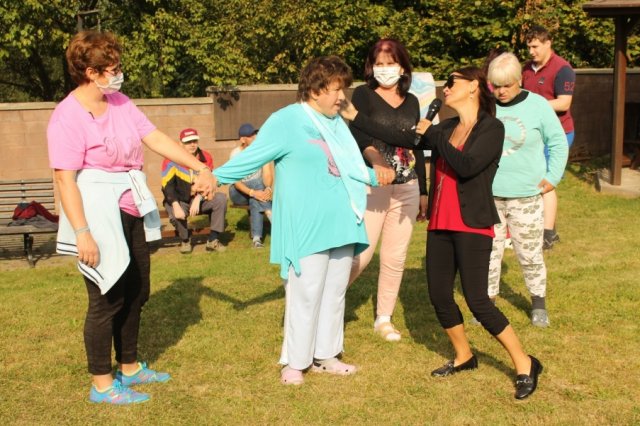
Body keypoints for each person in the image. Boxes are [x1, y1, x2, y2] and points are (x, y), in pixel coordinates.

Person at [47, 30, 215, 405]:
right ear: (90, 72)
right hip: (95, 213)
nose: (119, 74)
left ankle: (130, 366)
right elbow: (64, 179)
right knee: (107, 297)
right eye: (113, 68)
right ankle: (102, 385)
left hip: (131, 207)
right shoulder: (67, 116)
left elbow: (156, 139)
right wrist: (82, 232)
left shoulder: (121, 103)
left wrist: (199, 167)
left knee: (137, 292)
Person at [212, 56, 378, 386]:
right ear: (315, 90)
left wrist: (377, 176)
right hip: (306, 225)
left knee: (334, 293)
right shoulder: (286, 120)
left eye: (342, 90)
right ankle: (295, 362)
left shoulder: (337, 123)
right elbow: (252, 157)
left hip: (342, 220)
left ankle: (327, 356)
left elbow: (349, 166)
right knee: (305, 294)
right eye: (336, 90)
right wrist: (213, 177)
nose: (342, 97)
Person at [414, 67, 542, 400]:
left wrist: (435, 136)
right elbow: (412, 143)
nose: (445, 88)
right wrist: (357, 117)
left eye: (451, 83)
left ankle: (525, 363)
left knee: (478, 302)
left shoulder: (492, 128)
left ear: (473, 86)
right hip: (439, 223)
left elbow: (468, 165)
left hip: (472, 223)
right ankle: (464, 356)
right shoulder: (446, 127)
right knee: (439, 296)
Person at [344, 38, 427, 342]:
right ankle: (324, 301)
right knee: (361, 255)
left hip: (407, 187)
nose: (384, 69)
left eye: (390, 63)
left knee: (395, 257)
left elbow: (415, 146)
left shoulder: (413, 101)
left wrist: (423, 190)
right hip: (373, 185)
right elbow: (359, 136)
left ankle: (384, 318)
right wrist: (377, 161)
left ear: (402, 66)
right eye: (378, 63)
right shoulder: (362, 95)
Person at [487, 53, 568, 328]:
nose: (501, 91)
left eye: (507, 85)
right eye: (496, 86)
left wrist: (552, 177)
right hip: (489, 196)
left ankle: (538, 303)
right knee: (488, 253)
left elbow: (558, 142)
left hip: (526, 196)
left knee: (530, 253)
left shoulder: (538, 106)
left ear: (519, 80)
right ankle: (486, 303)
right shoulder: (486, 107)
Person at [522, 25, 576, 249]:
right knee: (532, 180)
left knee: (545, 182)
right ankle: (538, 226)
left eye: (535, 46)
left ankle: (548, 234)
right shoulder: (526, 69)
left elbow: (564, 103)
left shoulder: (563, 69)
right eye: (528, 47)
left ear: (548, 43)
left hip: (558, 133)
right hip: (533, 134)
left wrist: (534, 105)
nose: (531, 51)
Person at [161, 127, 228, 254]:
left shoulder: (206, 157)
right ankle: (185, 240)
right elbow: (167, 187)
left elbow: (209, 183)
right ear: (180, 143)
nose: (192, 144)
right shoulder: (170, 159)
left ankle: (213, 240)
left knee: (221, 199)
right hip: (179, 199)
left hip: (201, 199)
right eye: (188, 142)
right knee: (175, 212)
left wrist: (199, 197)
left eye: (195, 141)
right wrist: (175, 205)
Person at [228, 123, 273, 248]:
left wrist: (268, 188)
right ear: (243, 140)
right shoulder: (235, 154)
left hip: (256, 192)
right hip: (237, 193)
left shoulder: (261, 152)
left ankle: (256, 240)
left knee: (256, 199)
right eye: (251, 136)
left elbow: (267, 174)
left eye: (255, 135)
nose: (255, 138)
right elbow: (237, 183)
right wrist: (253, 192)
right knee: (257, 183)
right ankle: (271, 215)